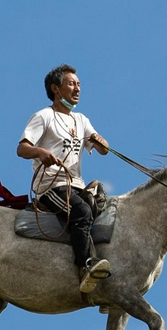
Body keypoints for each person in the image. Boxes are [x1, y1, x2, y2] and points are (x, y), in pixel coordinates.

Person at [17, 64, 113, 293]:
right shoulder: (44, 116)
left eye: (79, 84)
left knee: (104, 209)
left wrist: (102, 143)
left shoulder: (81, 120)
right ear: (56, 89)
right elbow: (22, 149)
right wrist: (41, 152)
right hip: (51, 186)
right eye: (72, 84)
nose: (77, 88)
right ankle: (84, 266)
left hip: (76, 185)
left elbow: (104, 149)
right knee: (81, 212)